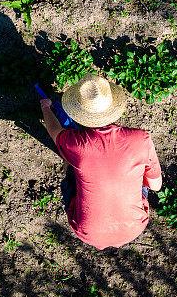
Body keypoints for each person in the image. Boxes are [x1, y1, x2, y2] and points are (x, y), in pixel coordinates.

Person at [39, 73, 162, 250]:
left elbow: (54, 130)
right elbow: (155, 186)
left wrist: (46, 108)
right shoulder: (140, 139)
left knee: (70, 163)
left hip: (88, 232)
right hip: (134, 228)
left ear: (79, 111)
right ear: (114, 105)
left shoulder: (73, 143)